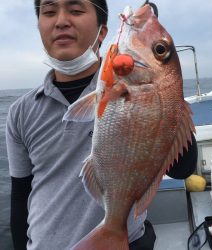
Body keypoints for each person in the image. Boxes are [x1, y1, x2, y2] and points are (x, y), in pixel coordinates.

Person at [6, 0, 197, 249]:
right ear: (39, 25)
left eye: (75, 10)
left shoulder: (125, 86)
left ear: (103, 32)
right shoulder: (20, 112)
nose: (61, 21)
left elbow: (183, 170)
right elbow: (21, 196)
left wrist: (166, 97)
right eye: (49, 11)